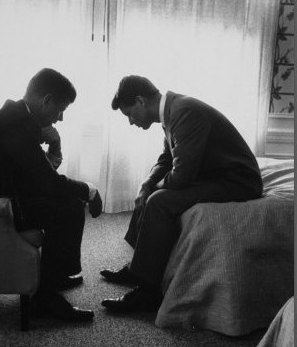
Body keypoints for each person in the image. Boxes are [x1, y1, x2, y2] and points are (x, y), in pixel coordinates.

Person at [101, 75, 263, 313]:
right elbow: (167, 159)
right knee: (147, 192)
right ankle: (138, 268)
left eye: (129, 115)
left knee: (158, 201)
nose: (131, 122)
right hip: (214, 174)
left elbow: (182, 176)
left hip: (238, 180)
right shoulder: (172, 112)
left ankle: (148, 292)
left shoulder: (184, 112)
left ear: (140, 101)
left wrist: (153, 190)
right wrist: (147, 183)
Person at [0, 68, 102, 322]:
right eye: (61, 110)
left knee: (64, 203)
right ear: (46, 100)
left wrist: (54, 145)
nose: (60, 118)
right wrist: (88, 190)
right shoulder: (16, 125)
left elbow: (35, 176)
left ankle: (53, 279)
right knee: (68, 207)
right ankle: (45, 299)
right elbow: (48, 183)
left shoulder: (17, 118)